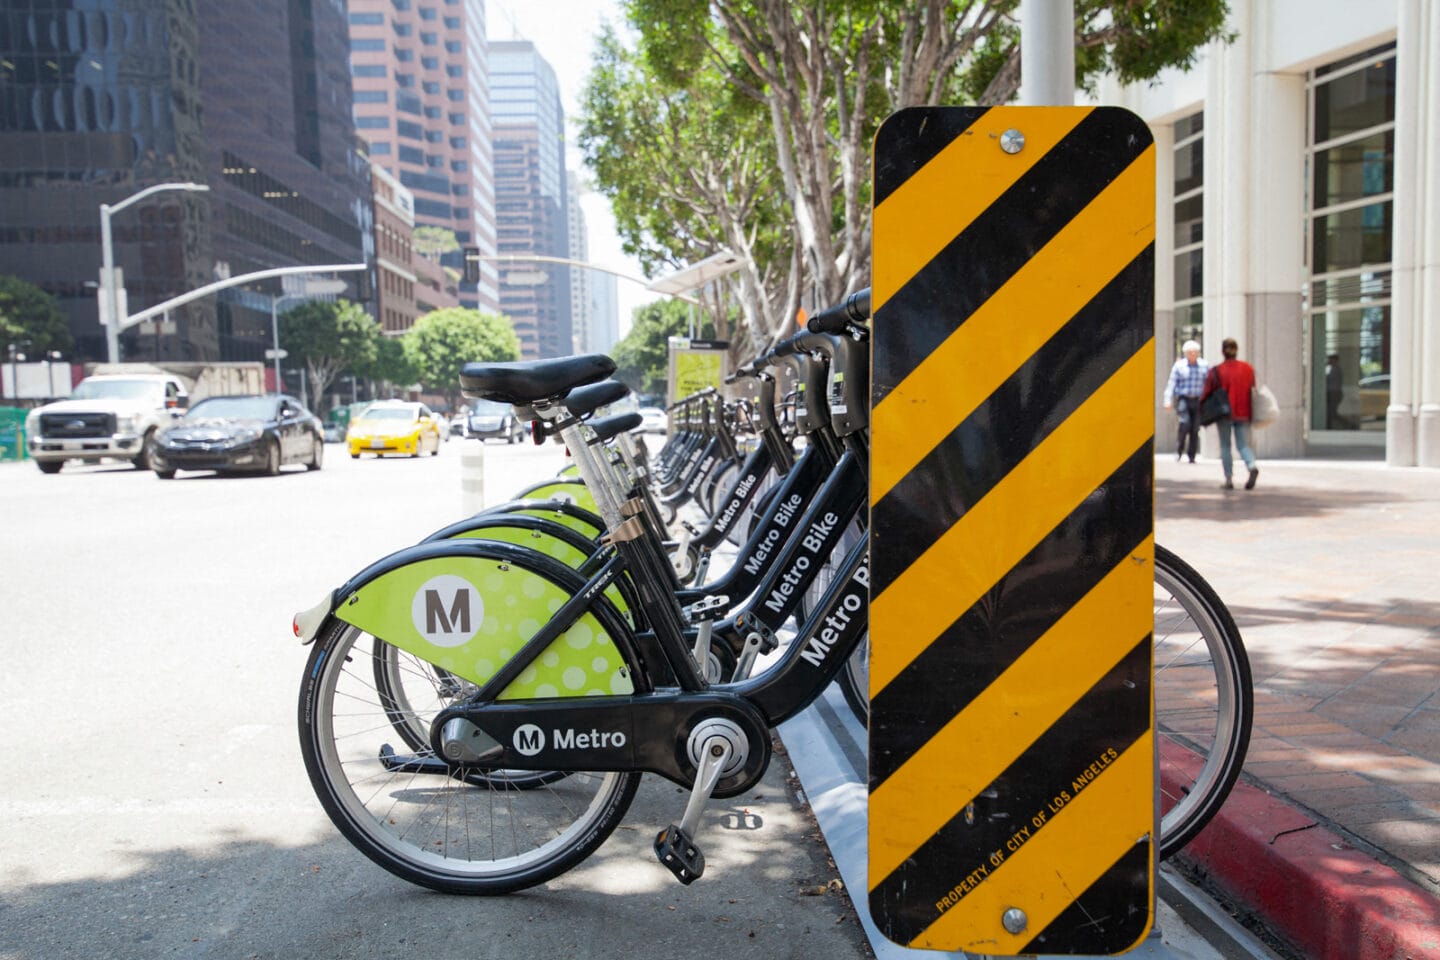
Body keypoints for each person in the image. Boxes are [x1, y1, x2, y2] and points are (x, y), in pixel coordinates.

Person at [1201, 337, 1259, 490]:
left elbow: (1207, 390)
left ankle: (1228, 479)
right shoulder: (1248, 369)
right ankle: (1251, 466)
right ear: (1236, 350)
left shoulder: (1217, 370)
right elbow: (1253, 388)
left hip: (1224, 413)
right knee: (1243, 445)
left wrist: (1201, 407)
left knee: (1225, 446)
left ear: (1223, 351)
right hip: (1244, 412)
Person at [1162, 339, 1208, 463]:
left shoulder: (1204, 366)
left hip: (1198, 400)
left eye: (1195, 352)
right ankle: (1179, 450)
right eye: (1190, 352)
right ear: (1186, 353)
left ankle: (1191, 456)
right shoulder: (1179, 366)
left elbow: (1209, 384)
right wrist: (1167, 400)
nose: (1193, 354)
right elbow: (1171, 383)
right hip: (1184, 399)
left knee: (1195, 428)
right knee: (1184, 423)